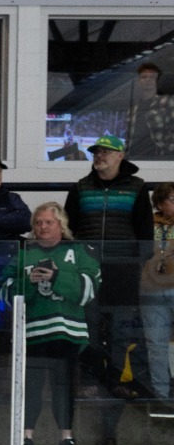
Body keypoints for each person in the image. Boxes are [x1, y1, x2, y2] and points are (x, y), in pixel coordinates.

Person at [5, 203, 101, 445]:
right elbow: (4, 290)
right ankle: (26, 439)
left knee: (64, 385)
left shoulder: (79, 250)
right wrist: (28, 282)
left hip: (67, 330)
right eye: (38, 223)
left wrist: (56, 277)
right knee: (31, 385)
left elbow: (89, 289)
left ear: (61, 225)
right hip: (32, 331)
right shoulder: (23, 252)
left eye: (49, 222)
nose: (42, 227)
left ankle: (65, 439)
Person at [65, 135, 154, 407]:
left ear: (120, 155)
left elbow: (146, 235)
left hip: (123, 271)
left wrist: (134, 263)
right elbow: (69, 230)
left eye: (106, 151)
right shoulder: (80, 188)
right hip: (88, 271)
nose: (99, 156)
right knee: (87, 329)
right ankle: (92, 381)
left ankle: (116, 381)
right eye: (96, 151)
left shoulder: (137, 188)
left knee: (120, 331)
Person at [140, 183, 174, 408]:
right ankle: (161, 397)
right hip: (151, 289)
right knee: (156, 345)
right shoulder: (146, 224)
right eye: (172, 199)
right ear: (160, 202)